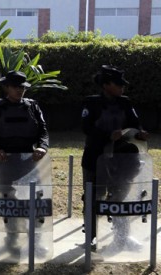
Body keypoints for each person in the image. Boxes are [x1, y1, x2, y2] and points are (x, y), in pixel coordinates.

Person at [80, 65, 148, 251]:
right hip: (96, 158)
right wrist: (108, 135)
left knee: (121, 198)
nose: (122, 87)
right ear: (106, 84)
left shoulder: (125, 103)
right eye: (118, 84)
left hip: (123, 159)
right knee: (94, 197)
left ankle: (122, 236)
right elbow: (86, 128)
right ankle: (92, 237)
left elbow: (135, 123)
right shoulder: (91, 103)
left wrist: (140, 133)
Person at [0, 70, 49, 255]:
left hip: (30, 160)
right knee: (9, 203)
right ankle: (11, 240)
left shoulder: (32, 106)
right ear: (6, 88)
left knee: (35, 201)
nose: (20, 91)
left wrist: (42, 147)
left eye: (23, 87)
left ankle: (36, 241)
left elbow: (43, 131)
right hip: (6, 163)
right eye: (16, 87)